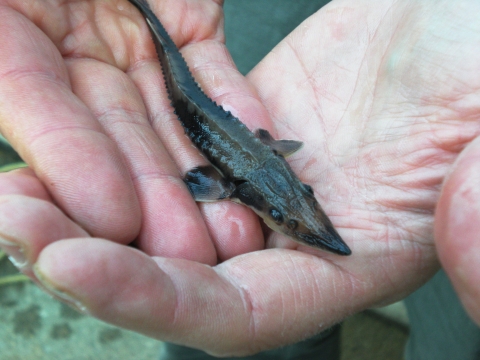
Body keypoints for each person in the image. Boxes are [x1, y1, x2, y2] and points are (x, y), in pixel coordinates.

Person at [0, 0, 479, 358]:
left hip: (251, 146)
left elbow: (264, 156)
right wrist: (203, 182)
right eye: (282, 216)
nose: (299, 217)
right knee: (177, 69)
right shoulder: (233, 184)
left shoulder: (266, 177)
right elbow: (221, 171)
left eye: (297, 205)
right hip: (208, 109)